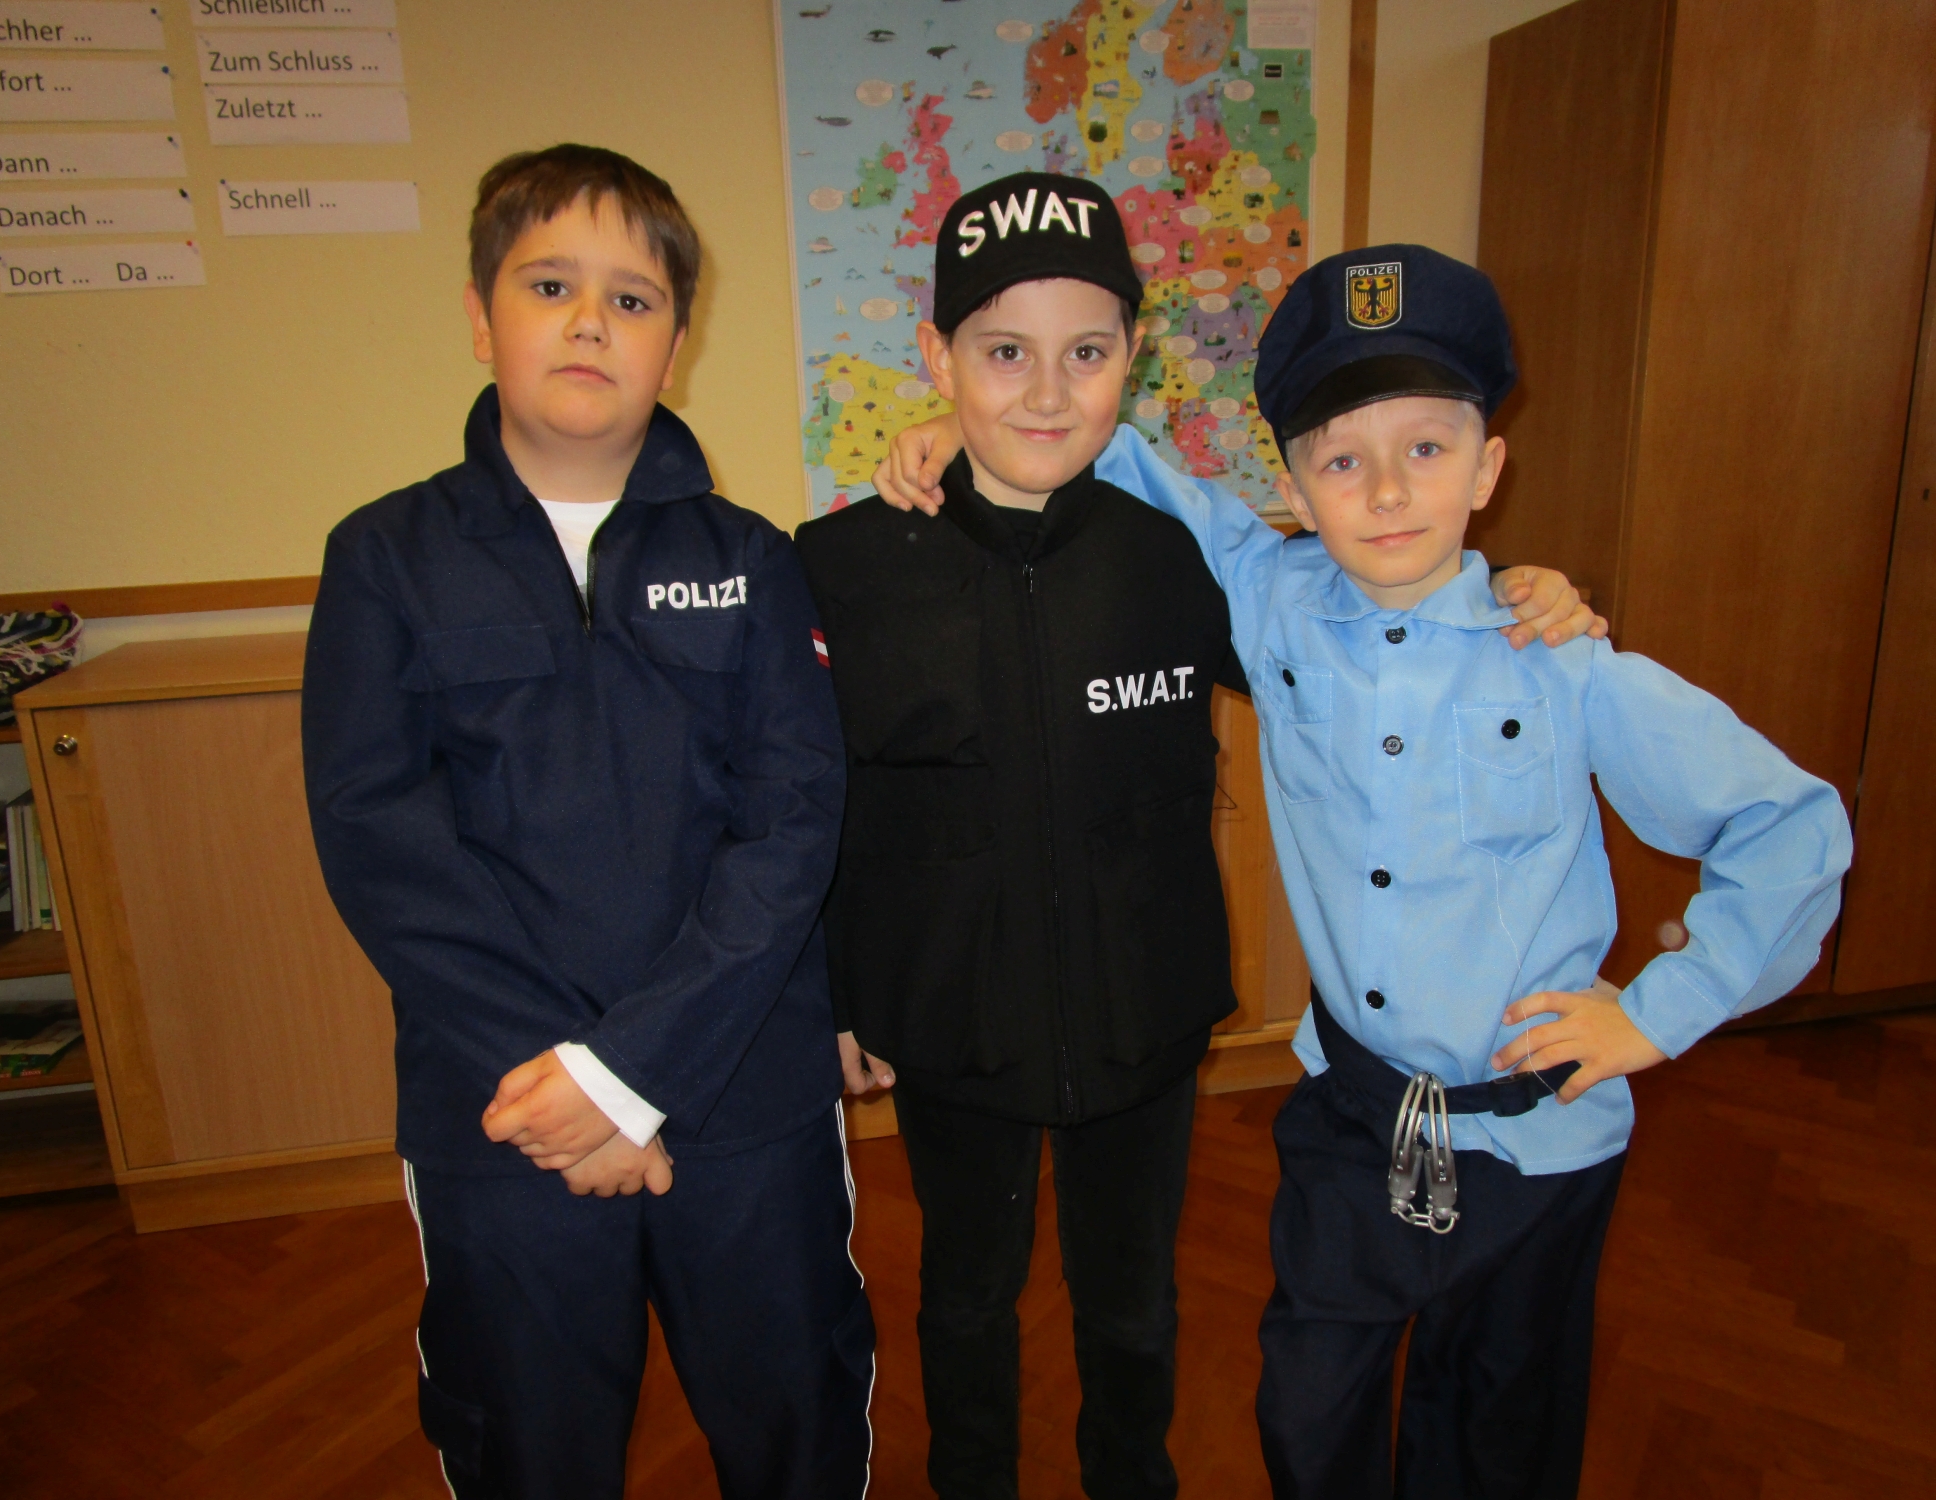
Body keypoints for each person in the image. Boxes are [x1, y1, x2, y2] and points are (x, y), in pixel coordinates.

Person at [875, 243, 1852, 1499]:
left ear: (1487, 468)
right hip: (1351, 1127)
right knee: (1307, 1414)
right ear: (1292, 484)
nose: (1386, 491)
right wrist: (956, 433)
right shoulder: (1270, 602)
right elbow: (1111, 458)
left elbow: (1789, 826)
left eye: (1427, 448)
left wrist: (1657, 1015)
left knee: (1495, 1440)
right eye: (1340, 461)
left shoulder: (1557, 658)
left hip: (1539, 1146)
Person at [800, 176, 1601, 1500]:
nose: (1044, 391)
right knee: (964, 1297)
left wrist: (1522, 592)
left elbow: (1367, 622)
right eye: (1002, 353)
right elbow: (811, 800)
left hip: (1142, 1016)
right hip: (947, 1019)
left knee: (1131, 1304)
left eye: (1086, 353)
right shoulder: (842, 565)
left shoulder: (1180, 558)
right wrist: (832, 997)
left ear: (1131, 357)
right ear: (936, 357)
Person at [301, 144, 872, 1500]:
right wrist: (571, 1089)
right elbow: (381, 840)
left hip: (742, 1097)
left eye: (632, 299)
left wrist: (630, 1075)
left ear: (677, 344)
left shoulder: (751, 560)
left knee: (794, 1416)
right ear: (479, 314)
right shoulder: (384, 559)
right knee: (527, 1437)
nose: (589, 323)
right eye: (550, 285)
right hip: (505, 1109)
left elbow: (792, 824)